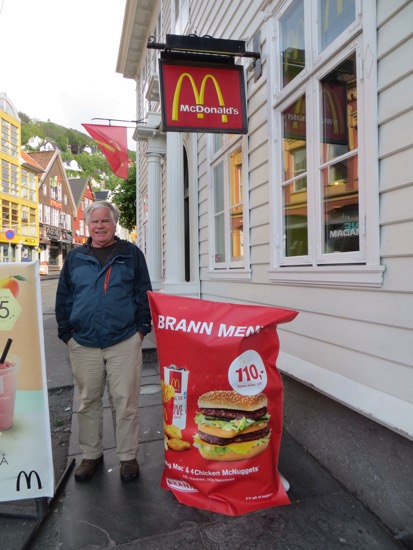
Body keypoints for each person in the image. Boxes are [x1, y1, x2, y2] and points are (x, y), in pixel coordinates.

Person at [55, 201, 152, 483]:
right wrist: (67, 334)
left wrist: (141, 331)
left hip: (123, 340)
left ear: (114, 223)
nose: (99, 226)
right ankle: (91, 455)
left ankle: (127, 457)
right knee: (88, 401)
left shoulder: (131, 254)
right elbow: (64, 297)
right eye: (94, 221)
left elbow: (143, 293)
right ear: (88, 225)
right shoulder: (75, 258)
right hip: (83, 342)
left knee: (126, 401)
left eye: (105, 221)